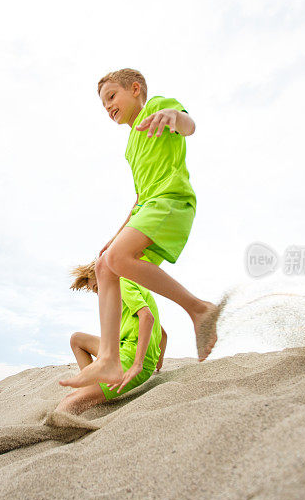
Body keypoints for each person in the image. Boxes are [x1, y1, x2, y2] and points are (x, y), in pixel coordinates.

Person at [60, 68, 219, 390]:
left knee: (117, 259)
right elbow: (139, 197)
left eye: (111, 97)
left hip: (172, 201)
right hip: (150, 207)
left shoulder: (157, 107)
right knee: (106, 263)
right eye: (103, 104)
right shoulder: (130, 145)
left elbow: (189, 126)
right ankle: (108, 358)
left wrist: (175, 116)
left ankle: (200, 309)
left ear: (135, 90)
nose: (107, 107)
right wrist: (115, 236)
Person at [56, 261, 167, 415]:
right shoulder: (127, 285)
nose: (100, 294)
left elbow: (147, 317)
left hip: (130, 357)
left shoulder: (121, 282)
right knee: (77, 339)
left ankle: (86, 395)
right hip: (123, 348)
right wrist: (157, 364)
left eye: (97, 288)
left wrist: (139, 364)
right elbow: (163, 333)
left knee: (70, 401)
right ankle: (92, 386)